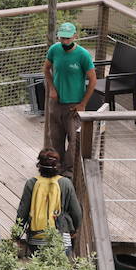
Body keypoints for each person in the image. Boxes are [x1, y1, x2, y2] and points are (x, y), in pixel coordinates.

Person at [44, 20, 96, 175]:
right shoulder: (54, 50)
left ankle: (69, 172)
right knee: (56, 139)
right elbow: (46, 69)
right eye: (62, 38)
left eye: (68, 38)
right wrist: (52, 88)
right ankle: (57, 169)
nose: (65, 41)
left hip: (74, 105)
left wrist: (83, 103)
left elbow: (93, 80)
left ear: (75, 36)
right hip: (56, 103)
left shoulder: (83, 55)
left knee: (74, 141)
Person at [15, 148, 82, 257]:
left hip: (35, 239)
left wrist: (17, 235)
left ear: (39, 165)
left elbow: (22, 212)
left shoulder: (31, 183)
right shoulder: (66, 183)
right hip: (60, 237)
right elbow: (77, 212)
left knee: (39, 269)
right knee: (61, 269)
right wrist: (74, 229)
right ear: (57, 165)